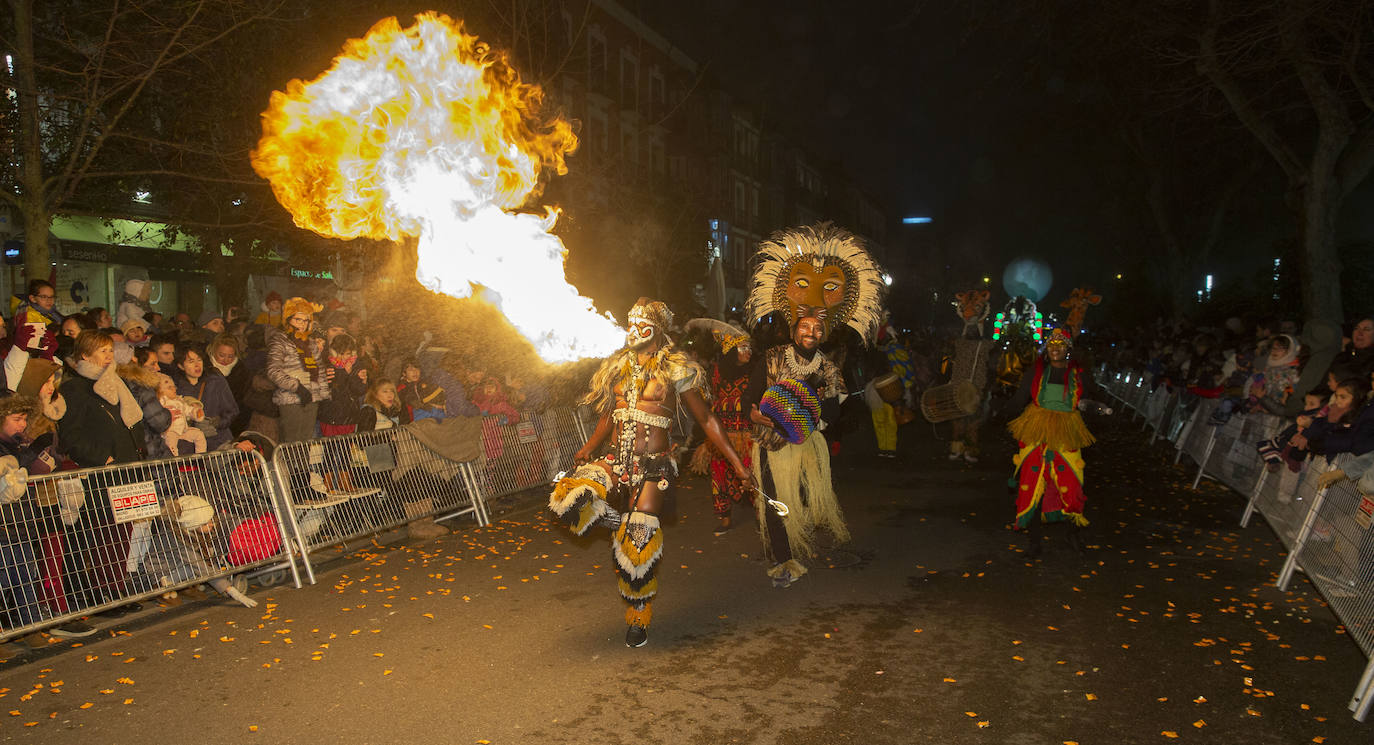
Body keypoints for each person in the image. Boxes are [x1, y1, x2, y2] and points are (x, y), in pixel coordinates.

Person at [549, 298, 751, 648]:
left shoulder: (676, 369)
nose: (634, 332)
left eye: (642, 326)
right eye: (631, 325)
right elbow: (606, 415)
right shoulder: (616, 367)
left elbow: (705, 419)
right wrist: (588, 447)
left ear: (658, 332)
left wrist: (736, 461)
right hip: (616, 457)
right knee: (567, 497)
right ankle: (616, 523)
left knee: (639, 542)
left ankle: (638, 615)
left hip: (655, 463)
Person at [742, 222, 886, 588]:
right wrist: (757, 415)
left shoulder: (829, 368)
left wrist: (812, 422)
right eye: (805, 328)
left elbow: (838, 410)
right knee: (776, 503)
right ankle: (783, 559)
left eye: (817, 330)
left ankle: (796, 543)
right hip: (771, 445)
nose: (811, 333)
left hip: (807, 446)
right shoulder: (771, 358)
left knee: (802, 502)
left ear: (824, 333)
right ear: (794, 330)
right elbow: (750, 397)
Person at [1006, 328, 1111, 558]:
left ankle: (1073, 534)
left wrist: (1100, 407)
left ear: (1068, 350)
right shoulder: (1036, 372)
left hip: (1066, 433)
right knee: (1033, 487)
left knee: (1072, 484)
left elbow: (1094, 396)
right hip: (1037, 433)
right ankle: (1034, 543)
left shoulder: (1078, 374)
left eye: (1061, 345)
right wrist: (1001, 412)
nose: (1055, 348)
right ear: (1046, 349)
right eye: (1051, 344)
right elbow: (1018, 400)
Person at [685, 319, 756, 536]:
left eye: (749, 348)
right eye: (743, 348)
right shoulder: (717, 371)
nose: (748, 352)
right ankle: (725, 520)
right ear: (731, 351)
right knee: (720, 478)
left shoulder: (756, 372)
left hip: (750, 436)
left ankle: (764, 517)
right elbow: (708, 400)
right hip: (722, 436)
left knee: (754, 477)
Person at [266, 297, 331, 443]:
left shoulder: (311, 342)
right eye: (298, 320)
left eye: (306, 320)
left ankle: (302, 466)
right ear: (289, 319)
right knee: (292, 441)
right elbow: (273, 370)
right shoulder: (280, 340)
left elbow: (319, 370)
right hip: (291, 398)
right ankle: (288, 466)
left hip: (312, 397)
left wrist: (324, 395)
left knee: (306, 441)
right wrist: (297, 387)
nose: (302, 324)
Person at [173, 345, 237, 450]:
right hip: (192, 445)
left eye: (199, 360)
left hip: (219, 442)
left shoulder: (215, 380)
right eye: (191, 361)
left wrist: (217, 423)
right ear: (181, 366)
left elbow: (232, 410)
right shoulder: (176, 388)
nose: (197, 365)